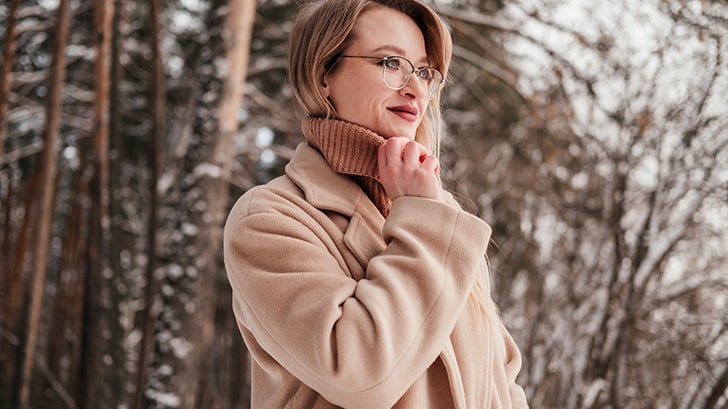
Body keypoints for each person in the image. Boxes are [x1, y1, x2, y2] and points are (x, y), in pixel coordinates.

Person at [223, 0, 529, 407]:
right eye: (391, 62)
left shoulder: (441, 214)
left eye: (423, 71)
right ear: (323, 74)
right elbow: (362, 375)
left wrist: (426, 212)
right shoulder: (269, 219)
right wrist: (422, 220)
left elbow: (499, 375)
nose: (415, 87)